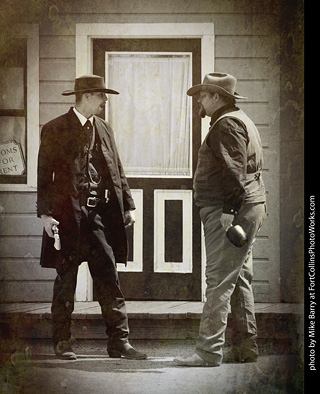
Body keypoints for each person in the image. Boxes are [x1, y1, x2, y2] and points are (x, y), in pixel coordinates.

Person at [37, 74, 147, 361]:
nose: (104, 101)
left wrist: (128, 206)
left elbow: (116, 169)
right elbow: (44, 177)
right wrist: (46, 215)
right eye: (101, 95)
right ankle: (63, 342)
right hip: (67, 218)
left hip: (97, 218)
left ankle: (119, 343)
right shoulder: (54, 129)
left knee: (109, 277)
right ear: (86, 96)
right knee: (66, 281)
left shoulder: (105, 129)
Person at [174, 73, 267, 367]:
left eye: (203, 95)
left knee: (217, 280)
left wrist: (228, 210)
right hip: (246, 207)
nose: (199, 100)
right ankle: (244, 348)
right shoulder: (238, 119)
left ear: (216, 97)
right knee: (238, 278)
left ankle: (208, 352)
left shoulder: (226, 124)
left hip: (231, 212)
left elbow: (233, 170)